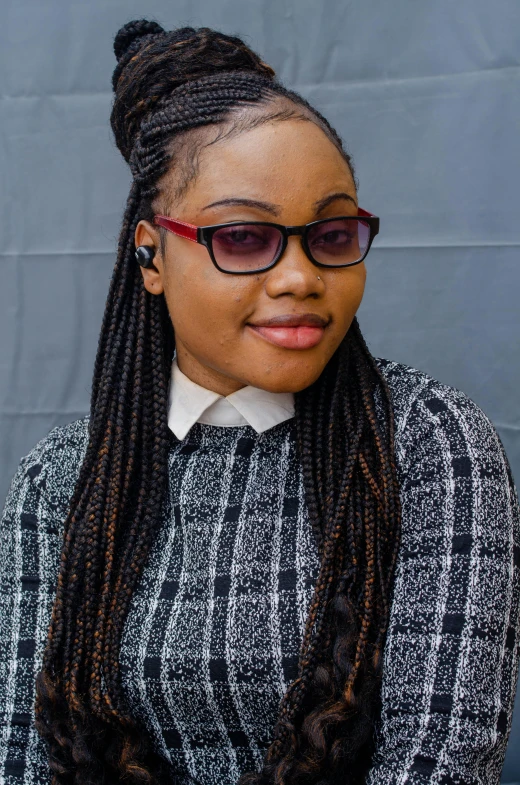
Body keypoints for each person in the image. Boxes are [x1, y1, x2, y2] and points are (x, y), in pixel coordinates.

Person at [0, 19, 518, 785]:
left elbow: (440, 762)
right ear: (151, 253)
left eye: (332, 233)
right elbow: (21, 755)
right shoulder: (62, 482)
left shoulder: (425, 442)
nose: (301, 276)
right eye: (244, 237)